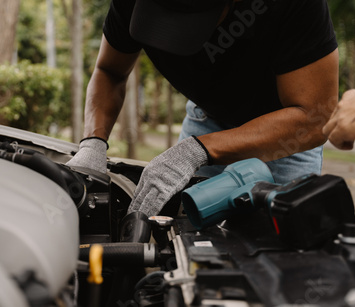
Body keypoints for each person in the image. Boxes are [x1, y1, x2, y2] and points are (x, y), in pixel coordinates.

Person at [67, 0, 339, 217]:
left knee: (272, 259)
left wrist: (194, 151)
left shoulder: (293, 5)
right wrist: (93, 142)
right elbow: (110, 71)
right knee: (184, 242)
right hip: (205, 119)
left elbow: (314, 120)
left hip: (284, 136)